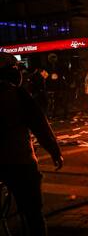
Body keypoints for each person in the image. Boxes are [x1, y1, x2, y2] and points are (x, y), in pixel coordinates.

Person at [0, 53, 64, 236]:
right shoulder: (17, 95)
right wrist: (54, 151)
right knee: (33, 212)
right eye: (17, 70)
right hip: (20, 162)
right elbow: (39, 125)